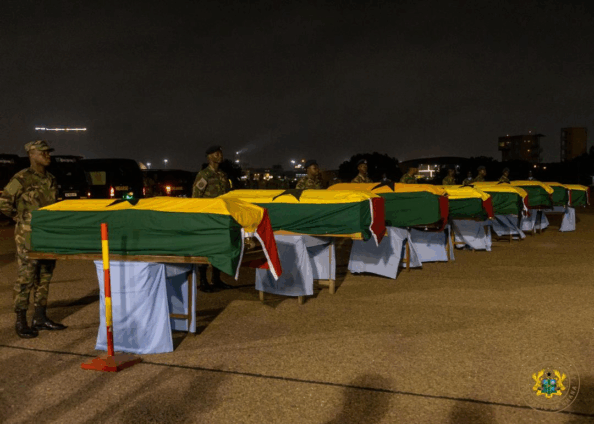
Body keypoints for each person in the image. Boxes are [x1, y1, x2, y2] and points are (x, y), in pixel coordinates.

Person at [0, 140, 67, 338]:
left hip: (47, 234)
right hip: (28, 235)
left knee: (45, 276)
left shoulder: (51, 179)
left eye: (48, 152)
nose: (48, 155)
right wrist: (20, 218)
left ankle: (40, 317)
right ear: (31, 154)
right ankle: (21, 320)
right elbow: (4, 203)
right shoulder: (21, 178)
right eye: (43, 152)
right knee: (26, 277)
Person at [192, 145, 233, 292]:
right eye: (216, 154)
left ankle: (216, 279)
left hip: (221, 217)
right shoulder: (204, 175)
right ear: (209, 157)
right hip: (207, 217)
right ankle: (203, 281)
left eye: (220, 153)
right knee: (206, 248)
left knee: (219, 248)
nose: (220, 156)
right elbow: (196, 197)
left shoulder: (223, 175)